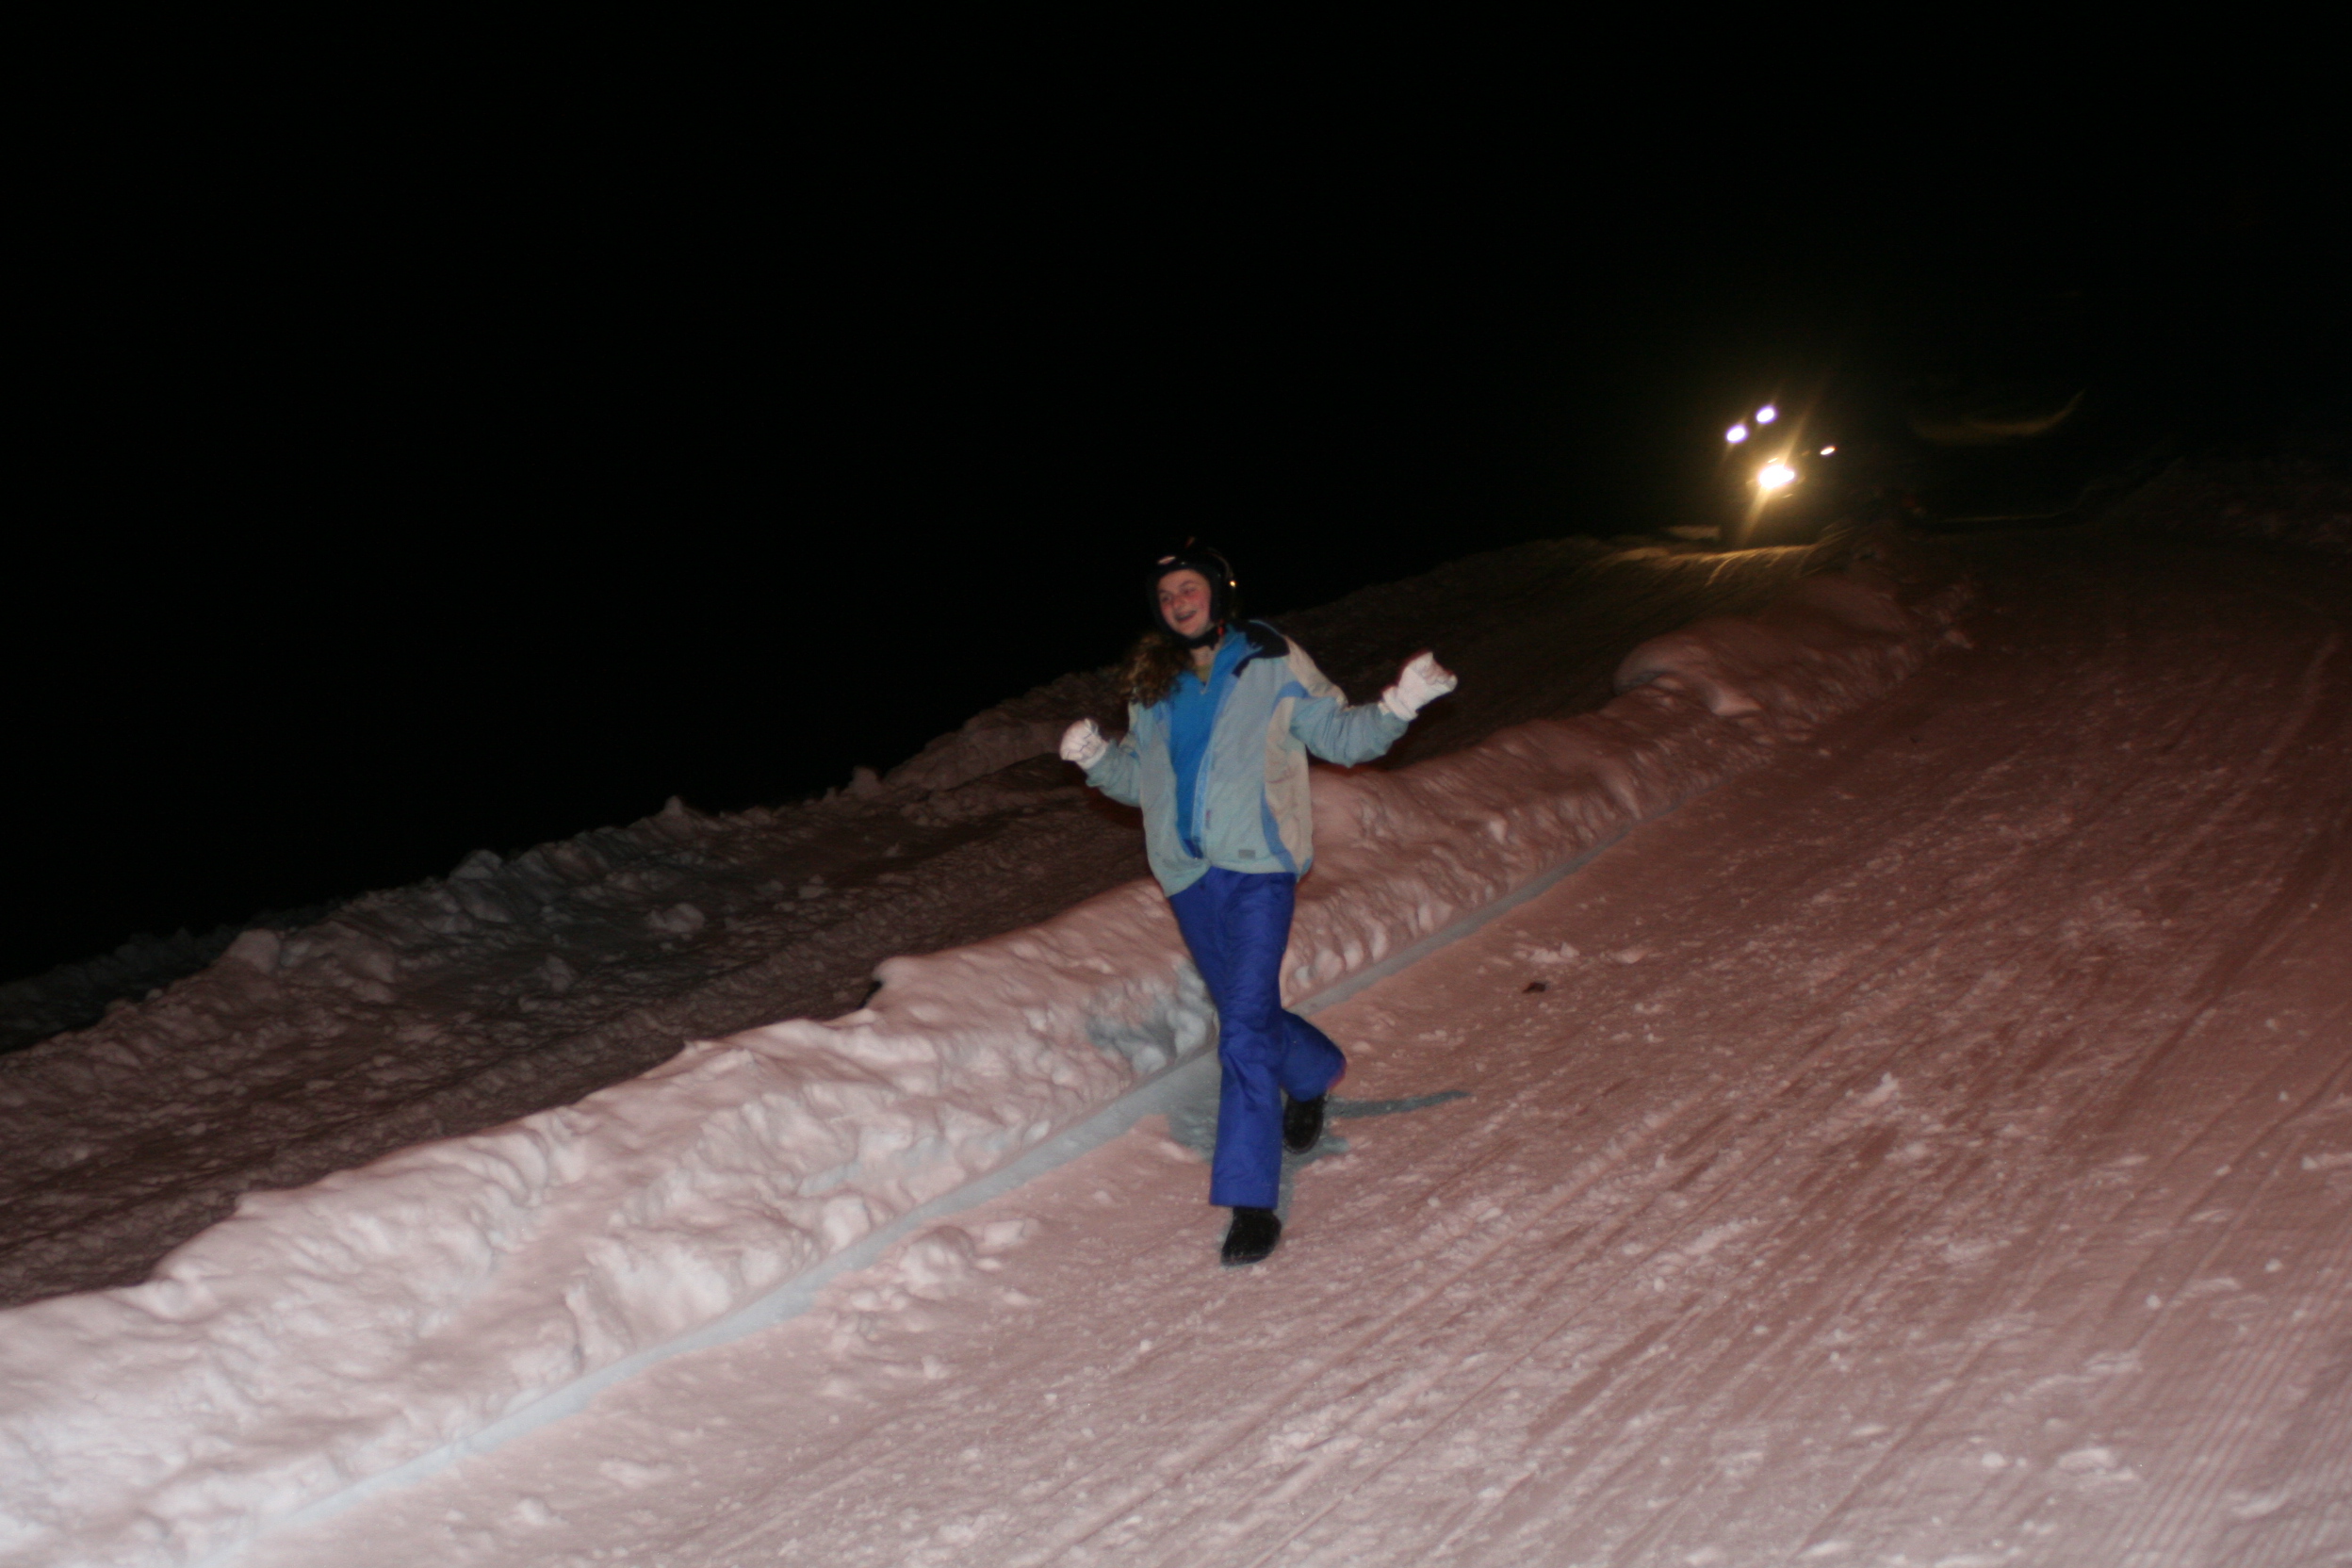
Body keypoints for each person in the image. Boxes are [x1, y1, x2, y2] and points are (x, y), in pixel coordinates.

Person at [1060, 543, 1457, 1266]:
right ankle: (1313, 1072)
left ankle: (1251, 1200)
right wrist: (1098, 761)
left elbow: (1340, 735)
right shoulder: (1153, 683)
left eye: (1189, 588)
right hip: (1188, 878)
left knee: (1241, 1034)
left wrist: (1400, 704)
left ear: (1218, 592)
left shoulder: (1269, 657)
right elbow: (1146, 783)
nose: (1178, 602)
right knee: (1250, 1013)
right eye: (1166, 595)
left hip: (1258, 869)